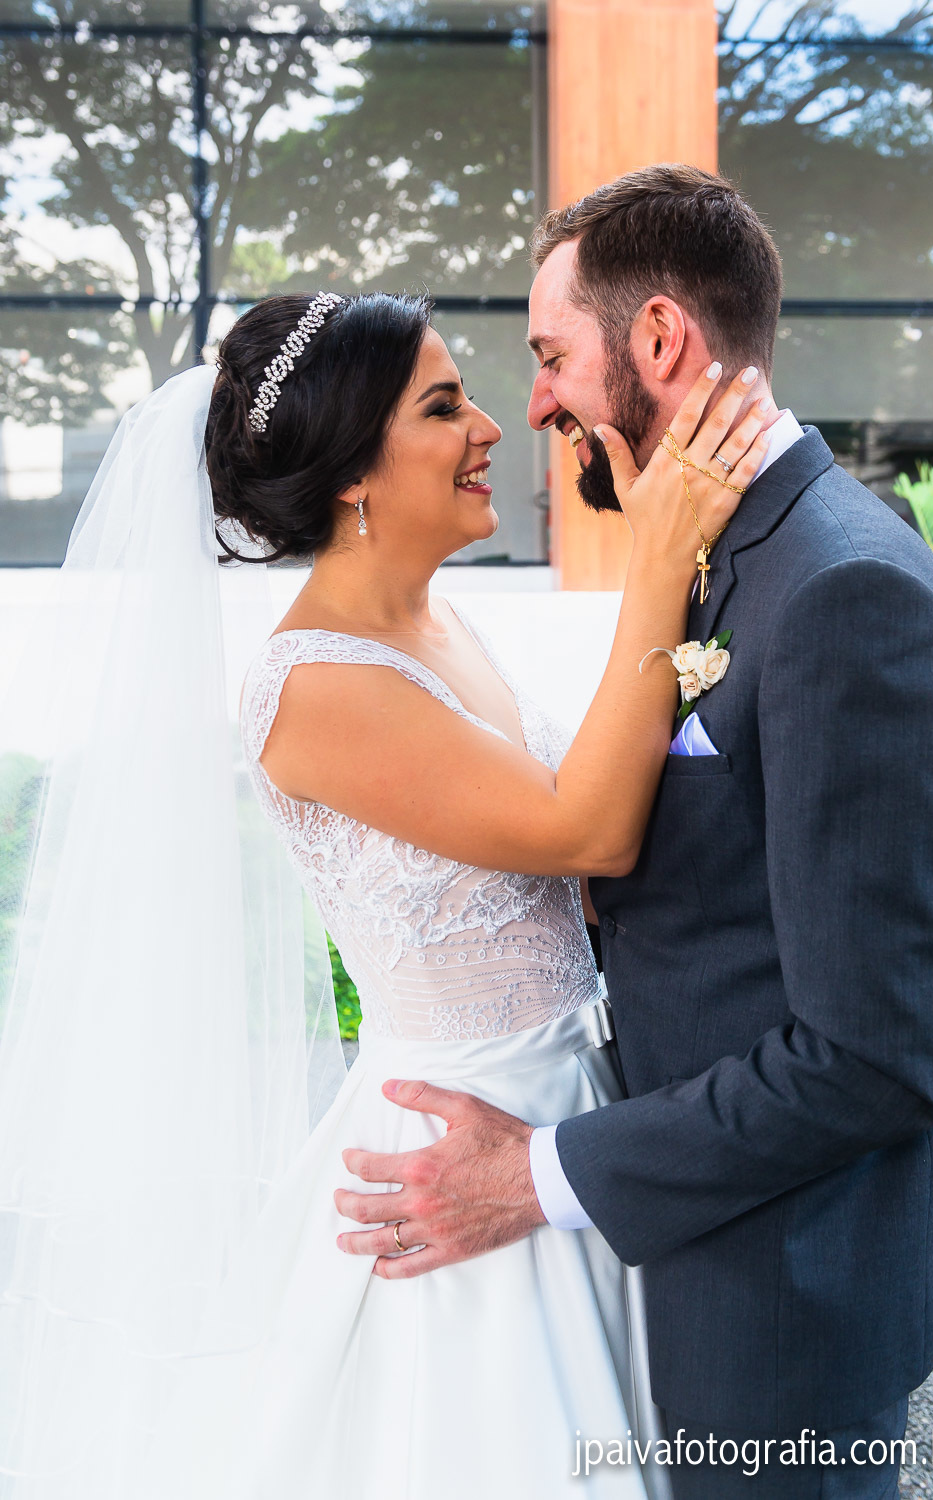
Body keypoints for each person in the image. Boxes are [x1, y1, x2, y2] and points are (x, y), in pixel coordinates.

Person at [0, 283, 768, 1500]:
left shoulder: (440, 623)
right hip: (457, 1138)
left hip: (571, 1106)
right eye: (443, 406)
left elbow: (566, 849)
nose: (491, 429)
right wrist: (660, 557)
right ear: (354, 470)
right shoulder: (314, 685)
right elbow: (584, 830)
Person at [337, 166, 933, 1499]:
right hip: (697, 1252)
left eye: (549, 357)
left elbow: (869, 1059)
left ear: (657, 339)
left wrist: (534, 1176)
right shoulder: (717, 548)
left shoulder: (841, 591)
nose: (534, 406)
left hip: (782, 1302)